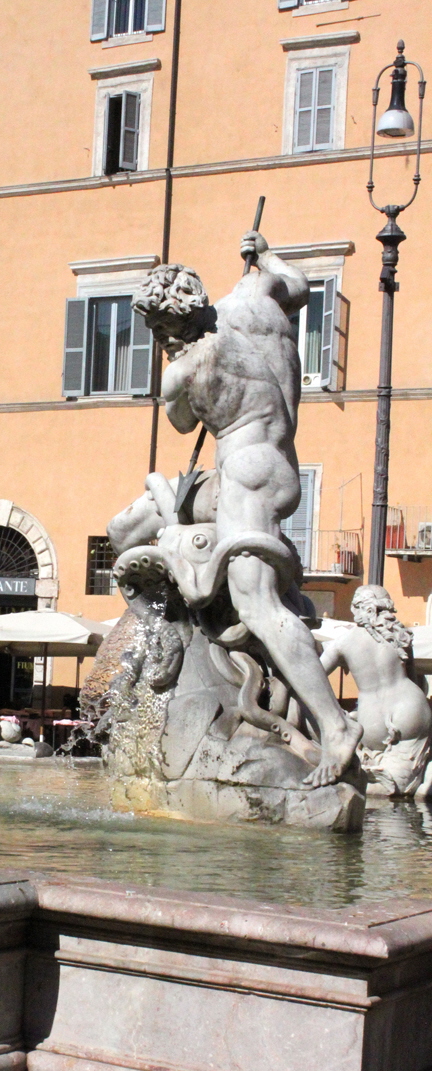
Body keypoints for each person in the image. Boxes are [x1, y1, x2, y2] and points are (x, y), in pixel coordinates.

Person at [131, 231, 362, 787]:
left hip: (243, 470)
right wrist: (264, 255)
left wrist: (181, 378)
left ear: (171, 324)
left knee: (257, 605)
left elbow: (185, 425)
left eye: (161, 330)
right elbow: (300, 287)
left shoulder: (179, 372)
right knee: (152, 521)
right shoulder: (249, 302)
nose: (162, 339)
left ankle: (335, 725)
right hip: (280, 460)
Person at [319, 586, 432, 794]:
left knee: (373, 789)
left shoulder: (342, 642)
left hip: (369, 720)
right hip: (410, 707)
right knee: (400, 787)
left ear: (357, 608)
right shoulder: (400, 635)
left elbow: (314, 679)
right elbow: (414, 679)